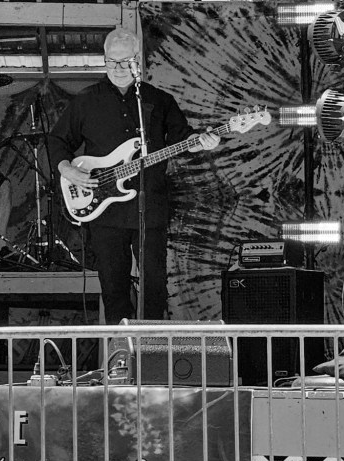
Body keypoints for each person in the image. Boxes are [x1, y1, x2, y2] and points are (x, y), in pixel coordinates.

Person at [46, 27, 220, 324]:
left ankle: (150, 345)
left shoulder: (159, 101)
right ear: (104, 60)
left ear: (137, 61)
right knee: (113, 286)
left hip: (150, 207)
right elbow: (57, 140)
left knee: (154, 285)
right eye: (111, 61)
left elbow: (183, 137)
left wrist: (202, 141)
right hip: (103, 210)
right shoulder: (86, 101)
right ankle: (120, 348)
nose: (118, 68)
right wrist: (68, 169)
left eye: (125, 61)